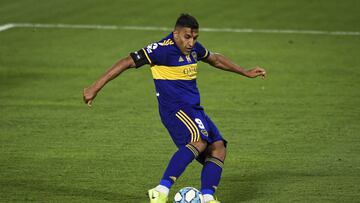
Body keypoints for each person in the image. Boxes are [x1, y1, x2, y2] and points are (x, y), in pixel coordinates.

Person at [83, 14, 266, 203]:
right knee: (199, 141)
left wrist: (245, 72)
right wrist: (95, 87)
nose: (191, 42)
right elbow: (126, 61)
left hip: (194, 109)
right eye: (187, 37)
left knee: (218, 147)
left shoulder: (194, 49)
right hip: (175, 109)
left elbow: (215, 59)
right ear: (175, 34)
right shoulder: (161, 50)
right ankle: (161, 191)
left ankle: (207, 197)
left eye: (195, 37)